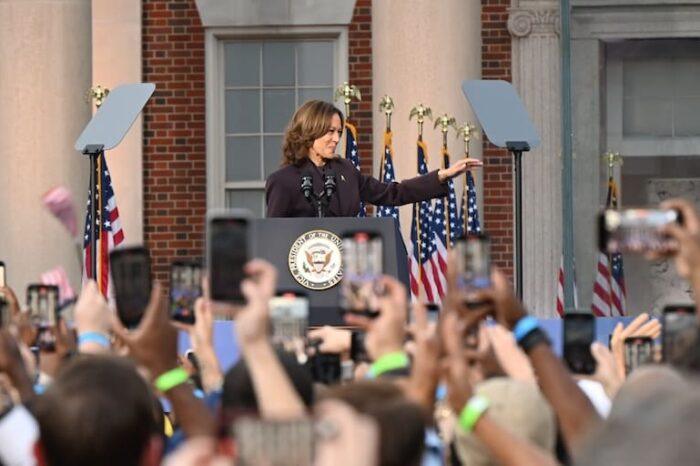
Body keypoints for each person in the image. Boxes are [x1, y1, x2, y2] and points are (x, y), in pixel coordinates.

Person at [265, 100, 482, 217]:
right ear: (310, 131)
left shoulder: (346, 171)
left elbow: (393, 193)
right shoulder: (283, 181)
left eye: (339, 132)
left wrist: (442, 175)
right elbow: (274, 238)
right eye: (329, 131)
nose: (336, 138)